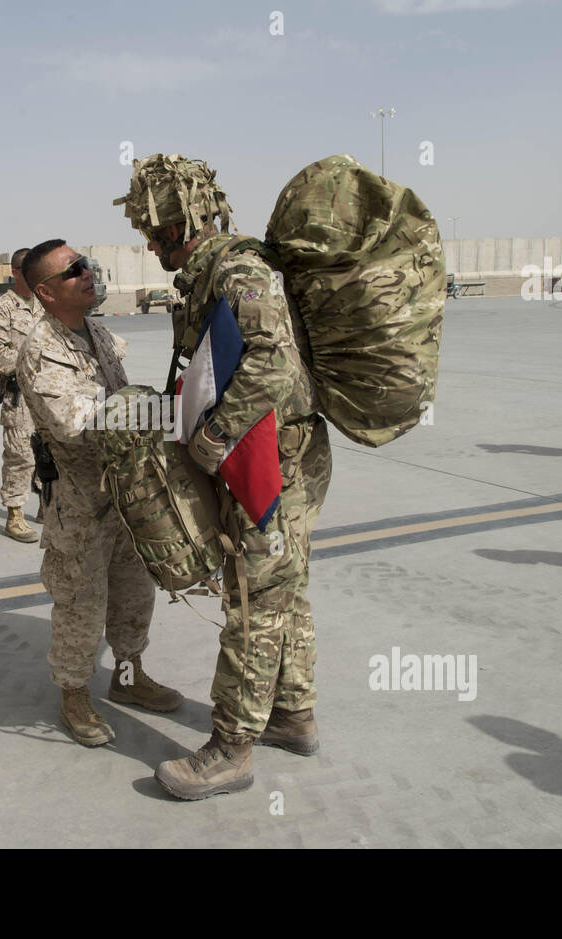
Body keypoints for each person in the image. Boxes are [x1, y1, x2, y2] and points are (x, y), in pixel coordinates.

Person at [115, 154, 332, 799]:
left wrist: (212, 438)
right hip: (280, 454)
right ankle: (292, 713)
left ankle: (231, 749)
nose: (150, 245)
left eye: (155, 232)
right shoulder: (207, 274)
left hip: (274, 460)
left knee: (252, 598)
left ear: (181, 221)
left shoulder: (237, 269)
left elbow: (269, 361)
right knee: (283, 589)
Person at [15, 239, 180, 746]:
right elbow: (81, 421)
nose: (88, 274)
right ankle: (74, 694)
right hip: (79, 503)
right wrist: (164, 411)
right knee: (81, 602)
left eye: (86, 265)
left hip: (125, 490)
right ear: (45, 292)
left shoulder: (98, 333)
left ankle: (128, 677)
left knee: (134, 593)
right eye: (74, 272)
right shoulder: (41, 350)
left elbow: (120, 393)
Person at [0, 248, 40, 542]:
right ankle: (15, 515)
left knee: (51, 450)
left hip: (50, 394)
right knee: (20, 455)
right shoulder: (1, 309)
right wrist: (37, 357)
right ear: (16, 272)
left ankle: (48, 504)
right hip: (19, 396)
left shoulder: (46, 304)